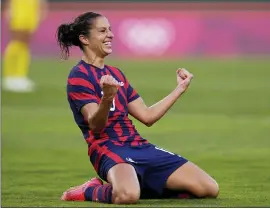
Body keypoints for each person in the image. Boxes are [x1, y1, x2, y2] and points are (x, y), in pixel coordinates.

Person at [57, 12, 219, 204]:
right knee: (127, 196)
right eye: (102, 31)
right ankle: (91, 190)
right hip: (108, 147)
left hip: (137, 145)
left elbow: (147, 116)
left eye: (110, 29)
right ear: (84, 39)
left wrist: (179, 89)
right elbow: (96, 126)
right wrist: (108, 98)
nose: (110, 35)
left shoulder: (116, 73)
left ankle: (135, 182)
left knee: (209, 188)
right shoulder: (79, 76)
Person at [2, 0, 48, 92]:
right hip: (20, 6)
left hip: (31, 6)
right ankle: (10, 76)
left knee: (24, 44)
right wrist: (8, 7)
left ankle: (20, 76)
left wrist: (41, 6)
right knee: (17, 42)